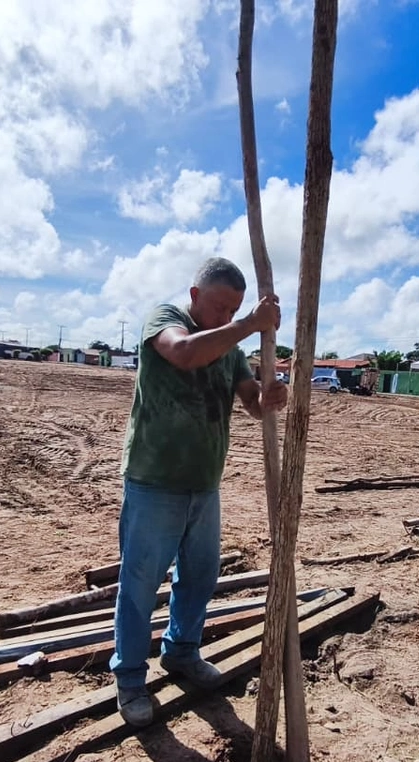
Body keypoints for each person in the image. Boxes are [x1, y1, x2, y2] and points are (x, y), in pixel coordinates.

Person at [112, 257, 288, 727]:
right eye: (219, 306)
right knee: (140, 585)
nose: (227, 317)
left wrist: (269, 395)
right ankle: (130, 680)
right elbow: (185, 353)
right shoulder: (165, 321)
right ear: (194, 297)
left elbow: (250, 400)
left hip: (204, 486)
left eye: (234, 309)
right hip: (154, 483)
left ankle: (182, 653)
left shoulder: (230, 348)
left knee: (200, 576)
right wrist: (250, 324)